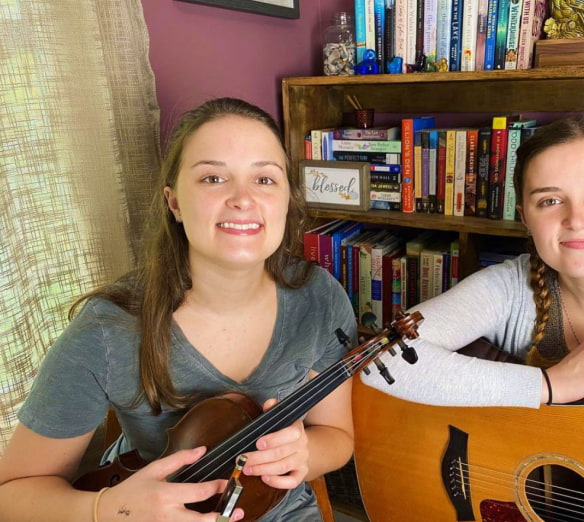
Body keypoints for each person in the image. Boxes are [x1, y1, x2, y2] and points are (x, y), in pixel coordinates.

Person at [0, 97, 357, 521]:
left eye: (264, 179)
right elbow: (13, 495)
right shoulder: (107, 329)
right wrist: (110, 509)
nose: (243, 199)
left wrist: (304, 453)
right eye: (212, 178)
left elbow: (337, 435)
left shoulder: (318, 296)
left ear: (285, 200)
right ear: (174, 203)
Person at [362, 114, 584, 481]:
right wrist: (549, 385)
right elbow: (381, 359)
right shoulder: (509, 287)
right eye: (551, 200)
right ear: (525, 217)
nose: (577, 218)